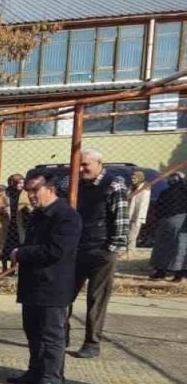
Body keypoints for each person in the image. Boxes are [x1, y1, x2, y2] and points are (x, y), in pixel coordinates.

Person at [8, 169, 81, 384]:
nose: (30, 195)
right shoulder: (38, 214)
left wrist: (21, 254)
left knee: (51, 334)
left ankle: (52, 378)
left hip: (53, 285)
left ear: (50, 188)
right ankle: (35, 371)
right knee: (33, 330)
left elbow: (55, 250)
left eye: (34, 190)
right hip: (33, 284)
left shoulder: (66, 216)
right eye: (27, 190)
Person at [70, 147, 129, 359]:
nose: (81, 169)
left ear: (99, 163)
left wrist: (111, 249)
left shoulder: (114, 185)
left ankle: (92, 343)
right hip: (77, 248)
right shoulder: (76, 185)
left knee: (97, 298)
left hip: (102, 250)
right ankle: (60, 335)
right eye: (79, 165)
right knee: (65, 293)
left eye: (86, 164)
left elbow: (121, 220)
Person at [149, 173, 187, 281]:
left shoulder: (165, 192)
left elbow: (157, 209)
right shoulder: (184, 192)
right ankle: (178, 274)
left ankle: (160, 272)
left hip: (164, 221)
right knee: (180, 248)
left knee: (163, 247)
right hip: (181, 222)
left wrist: (159, 219)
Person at [0, 174, 28, 272]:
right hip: (6, 224)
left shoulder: (26, 194)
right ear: (12, 183)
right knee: (4, 246)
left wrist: (27, 209)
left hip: (20, 224)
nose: (21, 185)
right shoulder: (4, 194)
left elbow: (32, 206)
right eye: (19, 183)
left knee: (17, 245)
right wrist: (2, 210)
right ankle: (4, 267)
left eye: (23, 183)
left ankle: (13, 267)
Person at [128, 170, 151, 249]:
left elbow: (142, 204)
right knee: (129, 235)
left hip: (137, 215)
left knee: (132, 235)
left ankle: (130, 251)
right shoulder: (132, 187)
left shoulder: (144, 188)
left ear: (139, 178)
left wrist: (138, 217)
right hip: (129, 213)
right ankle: (129, 251)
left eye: (134, 178)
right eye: (132, 178)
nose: (132, 180)